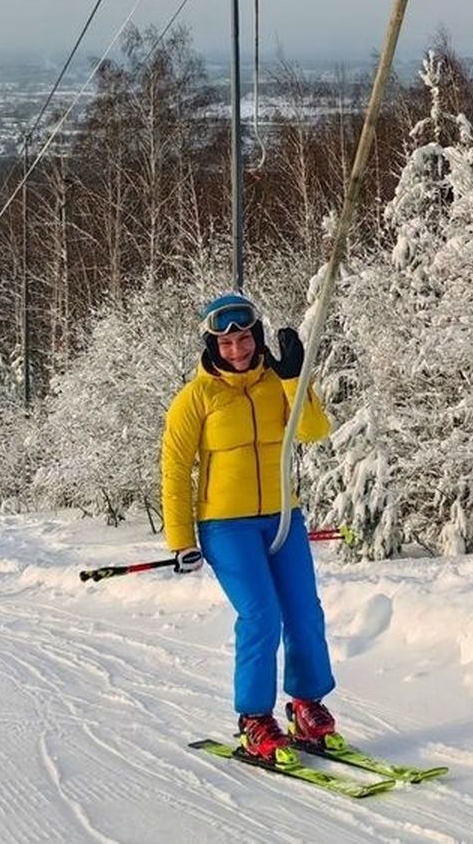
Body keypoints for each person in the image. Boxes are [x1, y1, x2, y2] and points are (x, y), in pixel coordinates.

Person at [161, 293, 335, 763]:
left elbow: (315, 431)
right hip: (226, 526)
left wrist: (295, 378)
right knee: (261, 616)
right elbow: (176, 470)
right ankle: (254, 719)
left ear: (256, 337)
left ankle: (306, 705)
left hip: (283, 518)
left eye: (243, 339)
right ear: (212, 347)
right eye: (225, 342)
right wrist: (181, 540)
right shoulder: (196, 398)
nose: (236, 350)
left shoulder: (275, 386)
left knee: (304, 611)